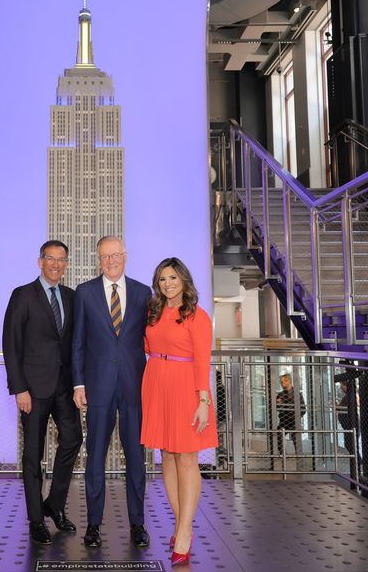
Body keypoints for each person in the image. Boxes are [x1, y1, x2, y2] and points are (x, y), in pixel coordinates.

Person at [72, 236, 152, 548]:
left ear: (125, 256)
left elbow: (152, 340)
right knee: (95, 459)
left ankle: (137, 524)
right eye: (105, 256)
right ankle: (93, 525)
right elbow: (77, 343)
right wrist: (78, 384)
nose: (111, 261)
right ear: (98, 259)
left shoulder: (145, 293)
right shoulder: (85, 293)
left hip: (134, 388)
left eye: (115, 255)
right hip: (97, 389)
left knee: (136, 458)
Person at [3, 240, 83, 545]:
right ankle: (36, 519)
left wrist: (79, 383)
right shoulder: (23, 295)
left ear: (66, 265)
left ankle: (54, 503)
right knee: (33, 455)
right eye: (51, 259)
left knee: (73, 439)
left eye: (62, 260)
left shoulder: (72, 297)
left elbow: (75, 343)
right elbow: (11, 344)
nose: (56, 265)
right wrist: (19, 388)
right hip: (32, 391)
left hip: (65, 387)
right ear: (40, 262)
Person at [141, 257, 216, 566]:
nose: (167, 284)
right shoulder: (154, 311)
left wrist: (203, 401)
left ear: (184, 280)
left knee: (186, 459)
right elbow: (146, 346)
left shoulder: (198, 316)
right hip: (157, 383)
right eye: (162, 279)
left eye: (172, 278)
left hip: (187, 388)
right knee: (167, 457)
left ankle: (184, 531)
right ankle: (180, 523)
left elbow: (202, 360)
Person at [275, 373, 304, 454]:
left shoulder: (297, 394)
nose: (282, 383)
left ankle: (298, 454)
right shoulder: (280, 395)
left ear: (289, 381)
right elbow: (277, 409)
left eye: (284, 381)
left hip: (294, 420)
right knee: (278, 434)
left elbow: (303, 409)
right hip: (284, 421)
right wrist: (278, 404)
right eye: (281, 382)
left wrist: (297, 416)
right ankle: (282, 454)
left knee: (296, 437)